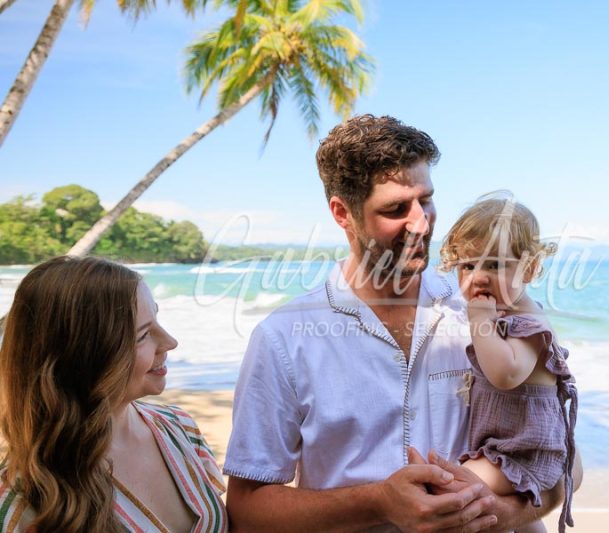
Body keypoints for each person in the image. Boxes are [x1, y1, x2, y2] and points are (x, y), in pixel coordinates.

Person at [224, 115, 580, 531]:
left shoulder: (489, 310)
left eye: (425, 200)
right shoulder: (282, 339)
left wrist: (498, 514)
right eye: (396, 209)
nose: (421, 223)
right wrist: (378, 503)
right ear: (342, 213)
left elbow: (565, 462)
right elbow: (246, 510)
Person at [0, 256, 227, 533]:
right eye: (142, 335)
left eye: (156, 320)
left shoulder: (180, 429)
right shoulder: (23, 505)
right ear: (83, 357)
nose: (170, 342)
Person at [439, 194, 578, 533]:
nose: (478, 277)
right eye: (467, 266)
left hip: (525, 454)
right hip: (505, 450)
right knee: (524, 522)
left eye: (495, 265)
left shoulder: (529, 324)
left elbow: (506, 374)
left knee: (453, 490)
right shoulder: (506, 315)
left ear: (529, 269)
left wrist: (479, 321)